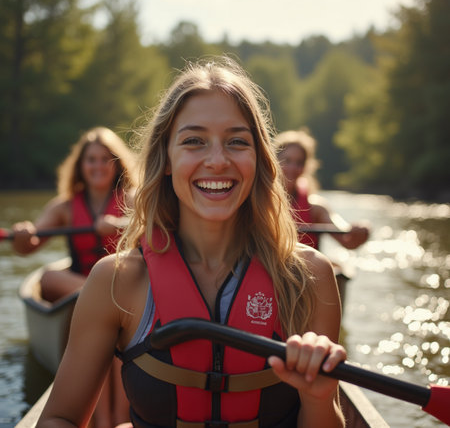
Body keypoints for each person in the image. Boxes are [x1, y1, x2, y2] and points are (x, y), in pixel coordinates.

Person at [37, 57, 347, 428]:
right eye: (194, 141)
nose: (217, 161)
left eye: (236, 142)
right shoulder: (116, 281)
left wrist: (320, 397)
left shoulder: (310, 277)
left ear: (259, 159)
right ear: (166, 158)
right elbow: (60, 419)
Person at [12, 126, 137, 428]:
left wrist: (118, 222)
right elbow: (28, 246)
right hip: (88, 289)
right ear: (81, 166)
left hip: (122, 289)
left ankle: (114, 420)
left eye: (104, 159)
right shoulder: (65, 206)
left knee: (113, 323)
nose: (97, 166)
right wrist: (23, 233)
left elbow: (152, 226)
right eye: (90, 159)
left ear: (117, 163)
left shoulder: (131, 198)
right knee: (49, 279)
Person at [275, 128, 369, 251]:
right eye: (287, 161)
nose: (293, 168)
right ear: (274, 161)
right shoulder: (259, 202)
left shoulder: (316, 208)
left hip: (304, 269)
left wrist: (361, 230)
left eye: (299, 163)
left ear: (305, 167)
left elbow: (349, 242)